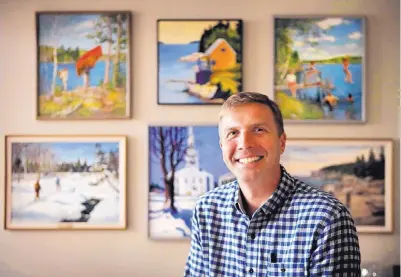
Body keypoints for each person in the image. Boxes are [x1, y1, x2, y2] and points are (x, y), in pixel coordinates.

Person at [184, 92, 361, 276]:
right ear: (222, 146)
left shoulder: (327, 218)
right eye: (233, 133)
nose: (244, 143)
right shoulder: (206, 210)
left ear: (281, 142)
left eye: (258, 130)